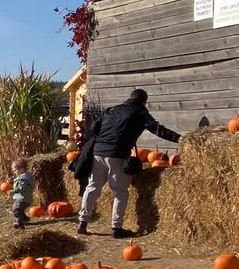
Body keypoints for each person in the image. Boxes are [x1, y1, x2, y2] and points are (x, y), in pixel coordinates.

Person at [77, 89, 180, 238]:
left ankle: (82, 222)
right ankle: (116, 227)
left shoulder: (111, 110)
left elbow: (94, 129)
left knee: (92, 187)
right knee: (120, 191)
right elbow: (158, 130)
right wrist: (180, 139)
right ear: (144, 101)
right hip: (118, 153)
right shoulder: (139, 112)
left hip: (98, 151)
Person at [10, 159, 35, 230]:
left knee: (16, 209)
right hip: (26, 198)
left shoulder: (23, 179)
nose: (13, 171)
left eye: (15, 169)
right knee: (20, 209)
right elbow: (19, 182)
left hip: (22, 199)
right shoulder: (24, 177)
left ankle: (19, 223)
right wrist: (12, 181)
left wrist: (13, 191)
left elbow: (21, 188)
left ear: (22, 169)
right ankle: (24, 218)